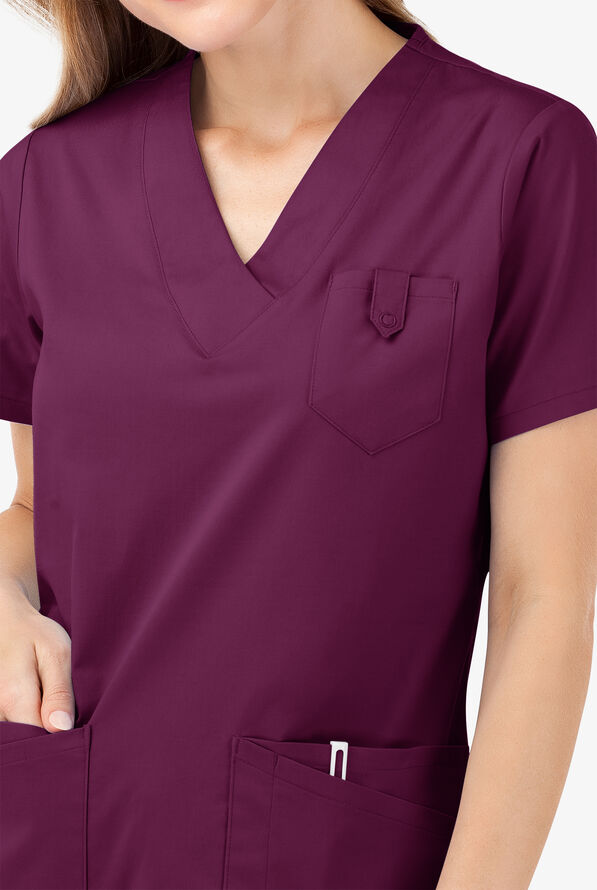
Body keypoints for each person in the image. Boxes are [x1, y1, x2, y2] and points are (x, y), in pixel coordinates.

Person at [0, 1, 595, 888]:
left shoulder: (519, 157)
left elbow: (541, 597)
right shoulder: (45, 184)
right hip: (63, 846)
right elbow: (37, 509)